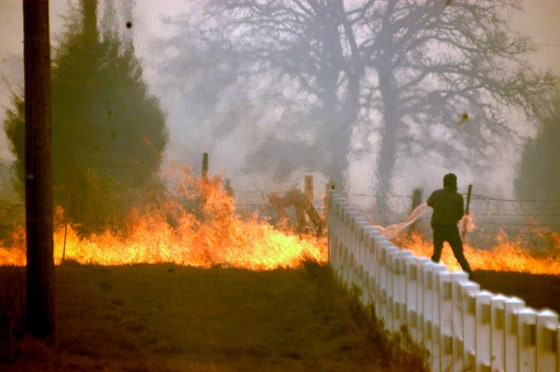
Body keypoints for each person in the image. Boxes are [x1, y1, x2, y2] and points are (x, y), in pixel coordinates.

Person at [427, 173, 474, 280]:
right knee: (459, 255)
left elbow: (429, 203)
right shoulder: (458, 197)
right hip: (451, 229)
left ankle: (429, 276)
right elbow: (460, 214)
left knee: (436, 254)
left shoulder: (436, 193)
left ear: (444, 182)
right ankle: (470, 276)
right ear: (454, 183)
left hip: (438, 229)